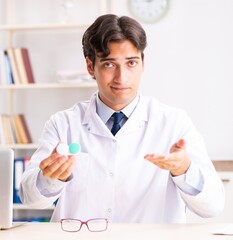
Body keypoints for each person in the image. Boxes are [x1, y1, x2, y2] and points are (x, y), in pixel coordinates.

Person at [20, 14, 224, 223]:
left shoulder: (174, 123)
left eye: (131, 63)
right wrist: (52, 178)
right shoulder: (62, 124)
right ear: (91, 66)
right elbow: (30, 199)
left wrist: (184, 170)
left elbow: (213, 206)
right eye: (109, 64)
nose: (122, 77)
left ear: (142, 63)